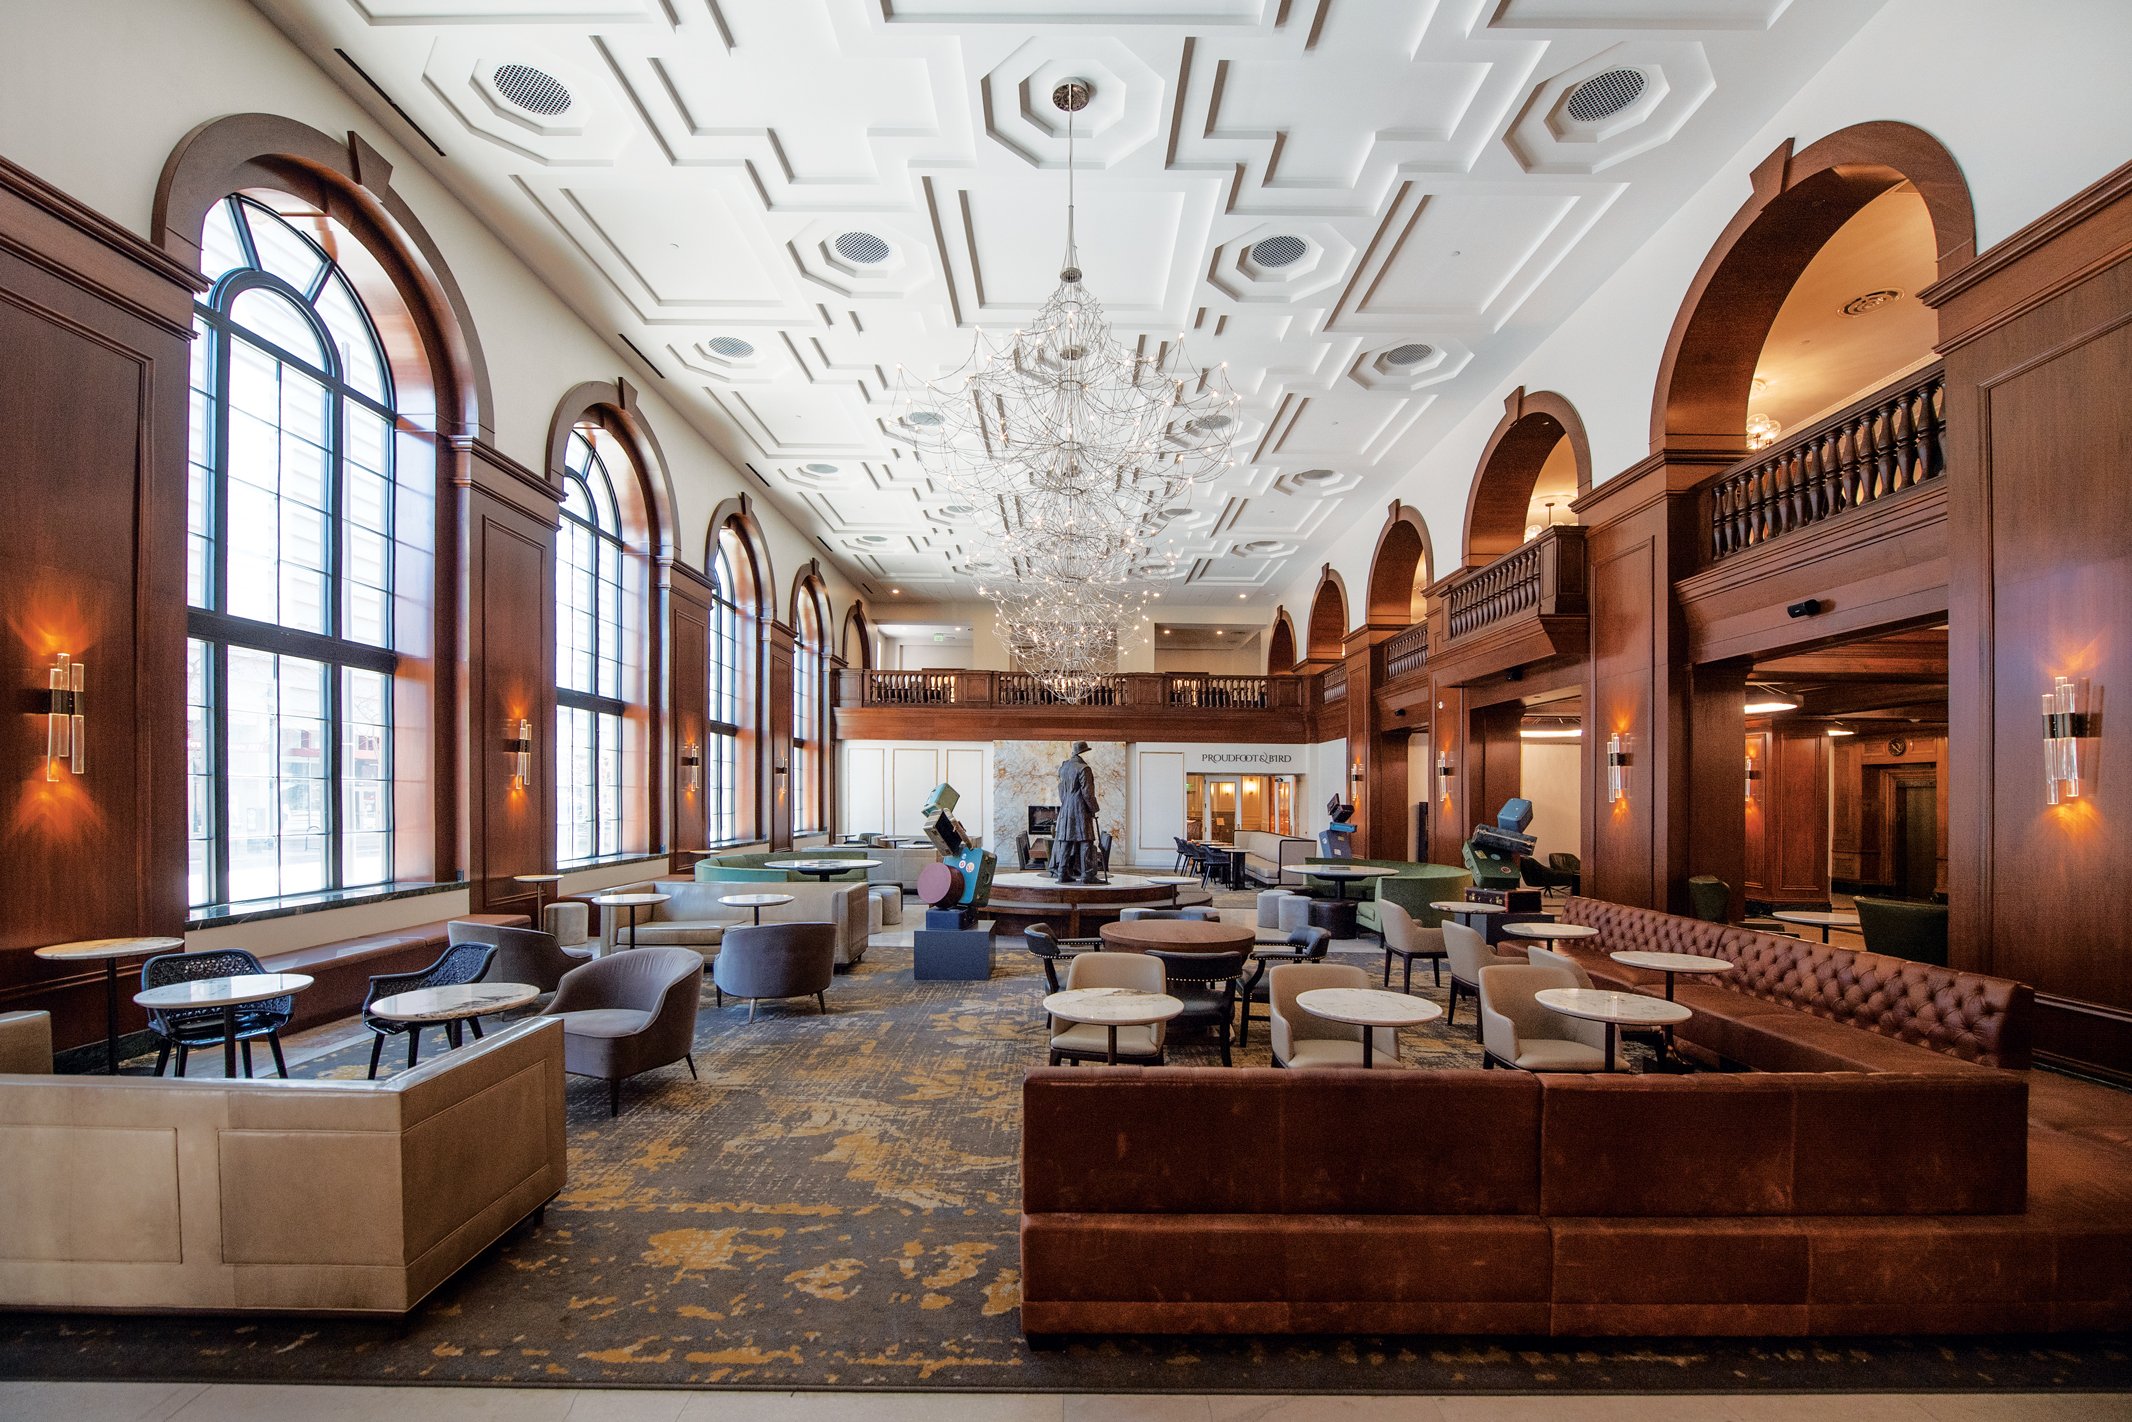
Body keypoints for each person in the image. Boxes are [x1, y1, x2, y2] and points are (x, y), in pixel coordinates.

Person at [1051, 741, 1101, 884]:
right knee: (1086, 840)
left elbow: (1061, 790)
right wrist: (1094, 809)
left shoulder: (1064, 767)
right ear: (1083, 752)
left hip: (1066, 808)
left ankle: (1062, 873)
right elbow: (1087, 794)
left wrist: (1066, 804)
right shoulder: (1084, 768)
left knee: (1066, 841)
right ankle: (1088, 875)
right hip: (1080, 809)